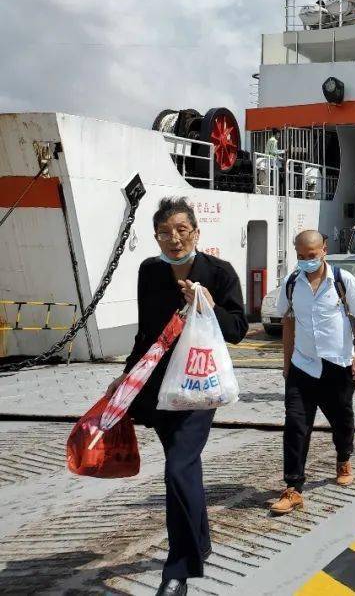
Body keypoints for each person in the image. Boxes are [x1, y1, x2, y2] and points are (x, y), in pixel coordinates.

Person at [105, 197, 248, 596]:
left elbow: (238, 328)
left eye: (182, 230)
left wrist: (205, 306)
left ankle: (179, 569)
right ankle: (200, 541)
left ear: (196, 233)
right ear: (155, 236)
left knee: (177, 469)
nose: (174, 239)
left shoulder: (218, 273)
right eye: (165, 232)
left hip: (198, 389)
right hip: (157, 391)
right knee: (183, 467)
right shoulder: (150, 271)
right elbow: (145, 334)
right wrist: (125, 378)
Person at [270, 230, 355, 515]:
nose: (305, 261)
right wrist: (287, 364)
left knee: (342, 419)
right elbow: (288, 322)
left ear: (324, 250)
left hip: (338, 365)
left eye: (311, 256)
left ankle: (343, 457)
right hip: (302, 367)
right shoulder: (292, 283)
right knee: (295, 426)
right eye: (300, 256)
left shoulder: (342, 280)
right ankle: (293, 488)